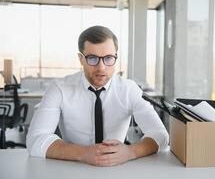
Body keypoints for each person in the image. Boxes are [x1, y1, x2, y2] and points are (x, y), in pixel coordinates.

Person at [26, 25, 169, 166]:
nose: (101, 67)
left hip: (117, 168)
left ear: (115, 57)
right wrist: (84, 153)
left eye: (108, 58)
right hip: (72, 166)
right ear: (81, 59)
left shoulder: (129, 89)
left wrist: (130, 152)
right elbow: (36, 139)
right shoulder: (59, 89)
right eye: (93, 58)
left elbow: (160, 134)